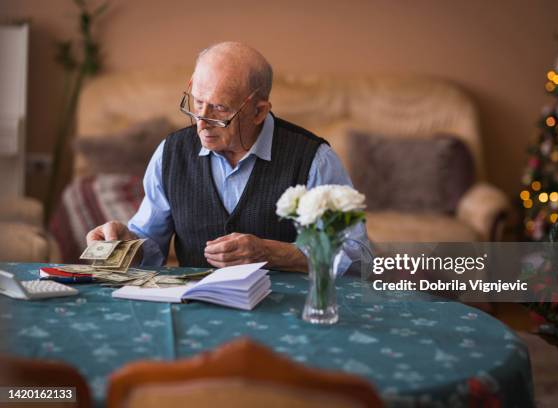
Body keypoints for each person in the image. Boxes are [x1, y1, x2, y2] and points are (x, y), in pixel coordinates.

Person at [86, 42, 369, 274]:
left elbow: (357, 257)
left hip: (284, 316)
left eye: (220, 109)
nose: (201, 123)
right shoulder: (170, 153)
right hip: (195, 310)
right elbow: (151, 243)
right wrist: (125, 244)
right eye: (197, 103)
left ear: (259, 111)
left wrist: (273, 254)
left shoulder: (314, 159)